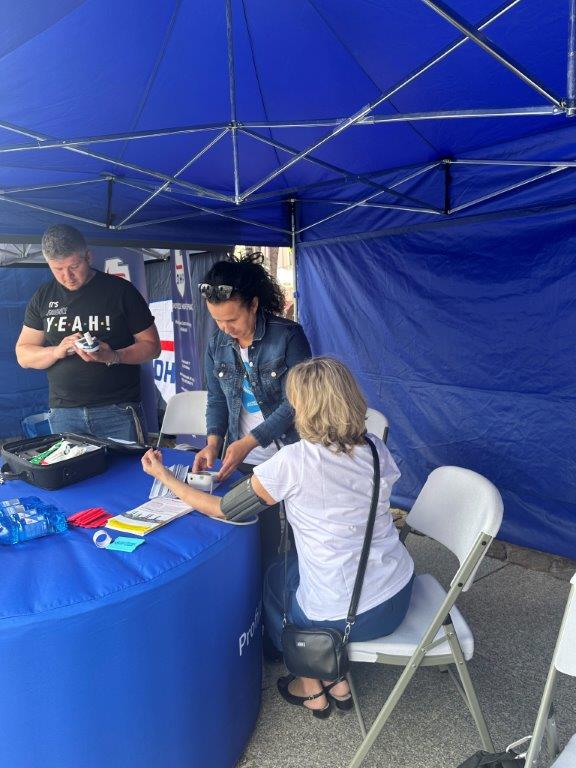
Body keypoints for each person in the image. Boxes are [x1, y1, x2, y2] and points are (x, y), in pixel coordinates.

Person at [141, 357, 414, 720]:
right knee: (295, 568)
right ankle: (336, 680)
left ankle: (310, 682)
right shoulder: (375, 447)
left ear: (304, 408)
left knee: (273, 578)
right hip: (399, 590)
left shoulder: (294, 461)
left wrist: (166, 477)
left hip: (347, 615)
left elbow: (224, 509)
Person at [193, 253, 311, 579]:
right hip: (244, 460)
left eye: (232, 319)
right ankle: (266, 597)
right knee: (261, 540)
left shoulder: (288, 336)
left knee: (303, 538)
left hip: (291, 451)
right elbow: (216, 398)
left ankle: (299, 593)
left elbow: (297, 403)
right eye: (217, 320)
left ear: (254, 305)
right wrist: (213, 443)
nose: (225, 329)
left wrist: (250, 441)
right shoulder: (217, 342)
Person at [15, 224, 161, 441]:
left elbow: (152, 347)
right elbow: (23, 354)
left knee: (128, 464)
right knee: (75, 465)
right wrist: (57, 351)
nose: (67, 276)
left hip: (117, 410)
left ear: (88, 256)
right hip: (64, 413)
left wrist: (113, 355)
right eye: (58, 269)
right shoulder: (43, 296)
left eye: (74, 266)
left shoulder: (121, 291)